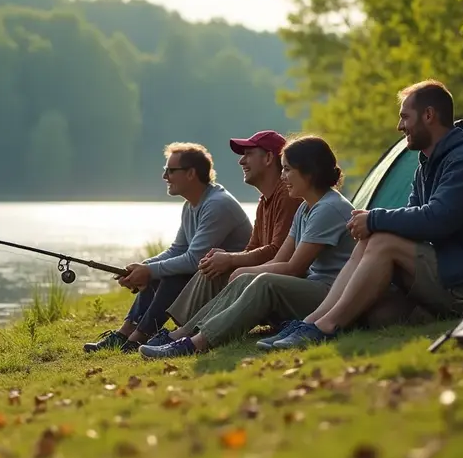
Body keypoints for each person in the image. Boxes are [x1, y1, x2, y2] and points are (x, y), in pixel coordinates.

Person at [263, 79, 463, 350]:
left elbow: (437, 220)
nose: (400, 125)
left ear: (428, 115)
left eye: (405, 117)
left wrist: (374, 218)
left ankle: (324, 328)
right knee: (379, 308)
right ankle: (310, 322)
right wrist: (372, 223)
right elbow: (413, 216)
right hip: (448, 270)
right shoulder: (427, 165)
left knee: (381, 240)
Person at [137, 134, 357, 358]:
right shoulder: (306, 208)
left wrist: (243, 268)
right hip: (315, 288)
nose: (283, 176)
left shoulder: (328, 208)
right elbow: (280, 260)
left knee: (264, 282)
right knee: (247, 276)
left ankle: (195, 343)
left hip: (333, 294)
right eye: (283, 169)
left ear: (309, 171)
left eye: (288, 170)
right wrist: (241, 270)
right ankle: (184, 335)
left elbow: (294, 268)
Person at [83, 142, 252, 353]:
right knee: (161, 269)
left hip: (229, 286)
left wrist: (150, 270)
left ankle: (138, 337)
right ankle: (125, 333)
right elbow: (177, 249)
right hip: (207, 278)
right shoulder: (191, 204)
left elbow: (193, 260)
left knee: (172, 274)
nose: (165, 177)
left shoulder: (217, 204)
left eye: (171, 171)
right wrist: (142, 268)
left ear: (191, 173)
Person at [161, 130, 301, 329]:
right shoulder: (265, 201)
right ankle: (181, 331)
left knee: (216, 267)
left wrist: (231, 259)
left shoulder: (288, 197)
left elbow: (277, 251)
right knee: (211, 266)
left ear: (269, 158)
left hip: (281, 286)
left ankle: (184, 333)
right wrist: (226, 257)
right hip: (267, 277)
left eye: (248, 154)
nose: (241, 161)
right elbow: (253, 247)